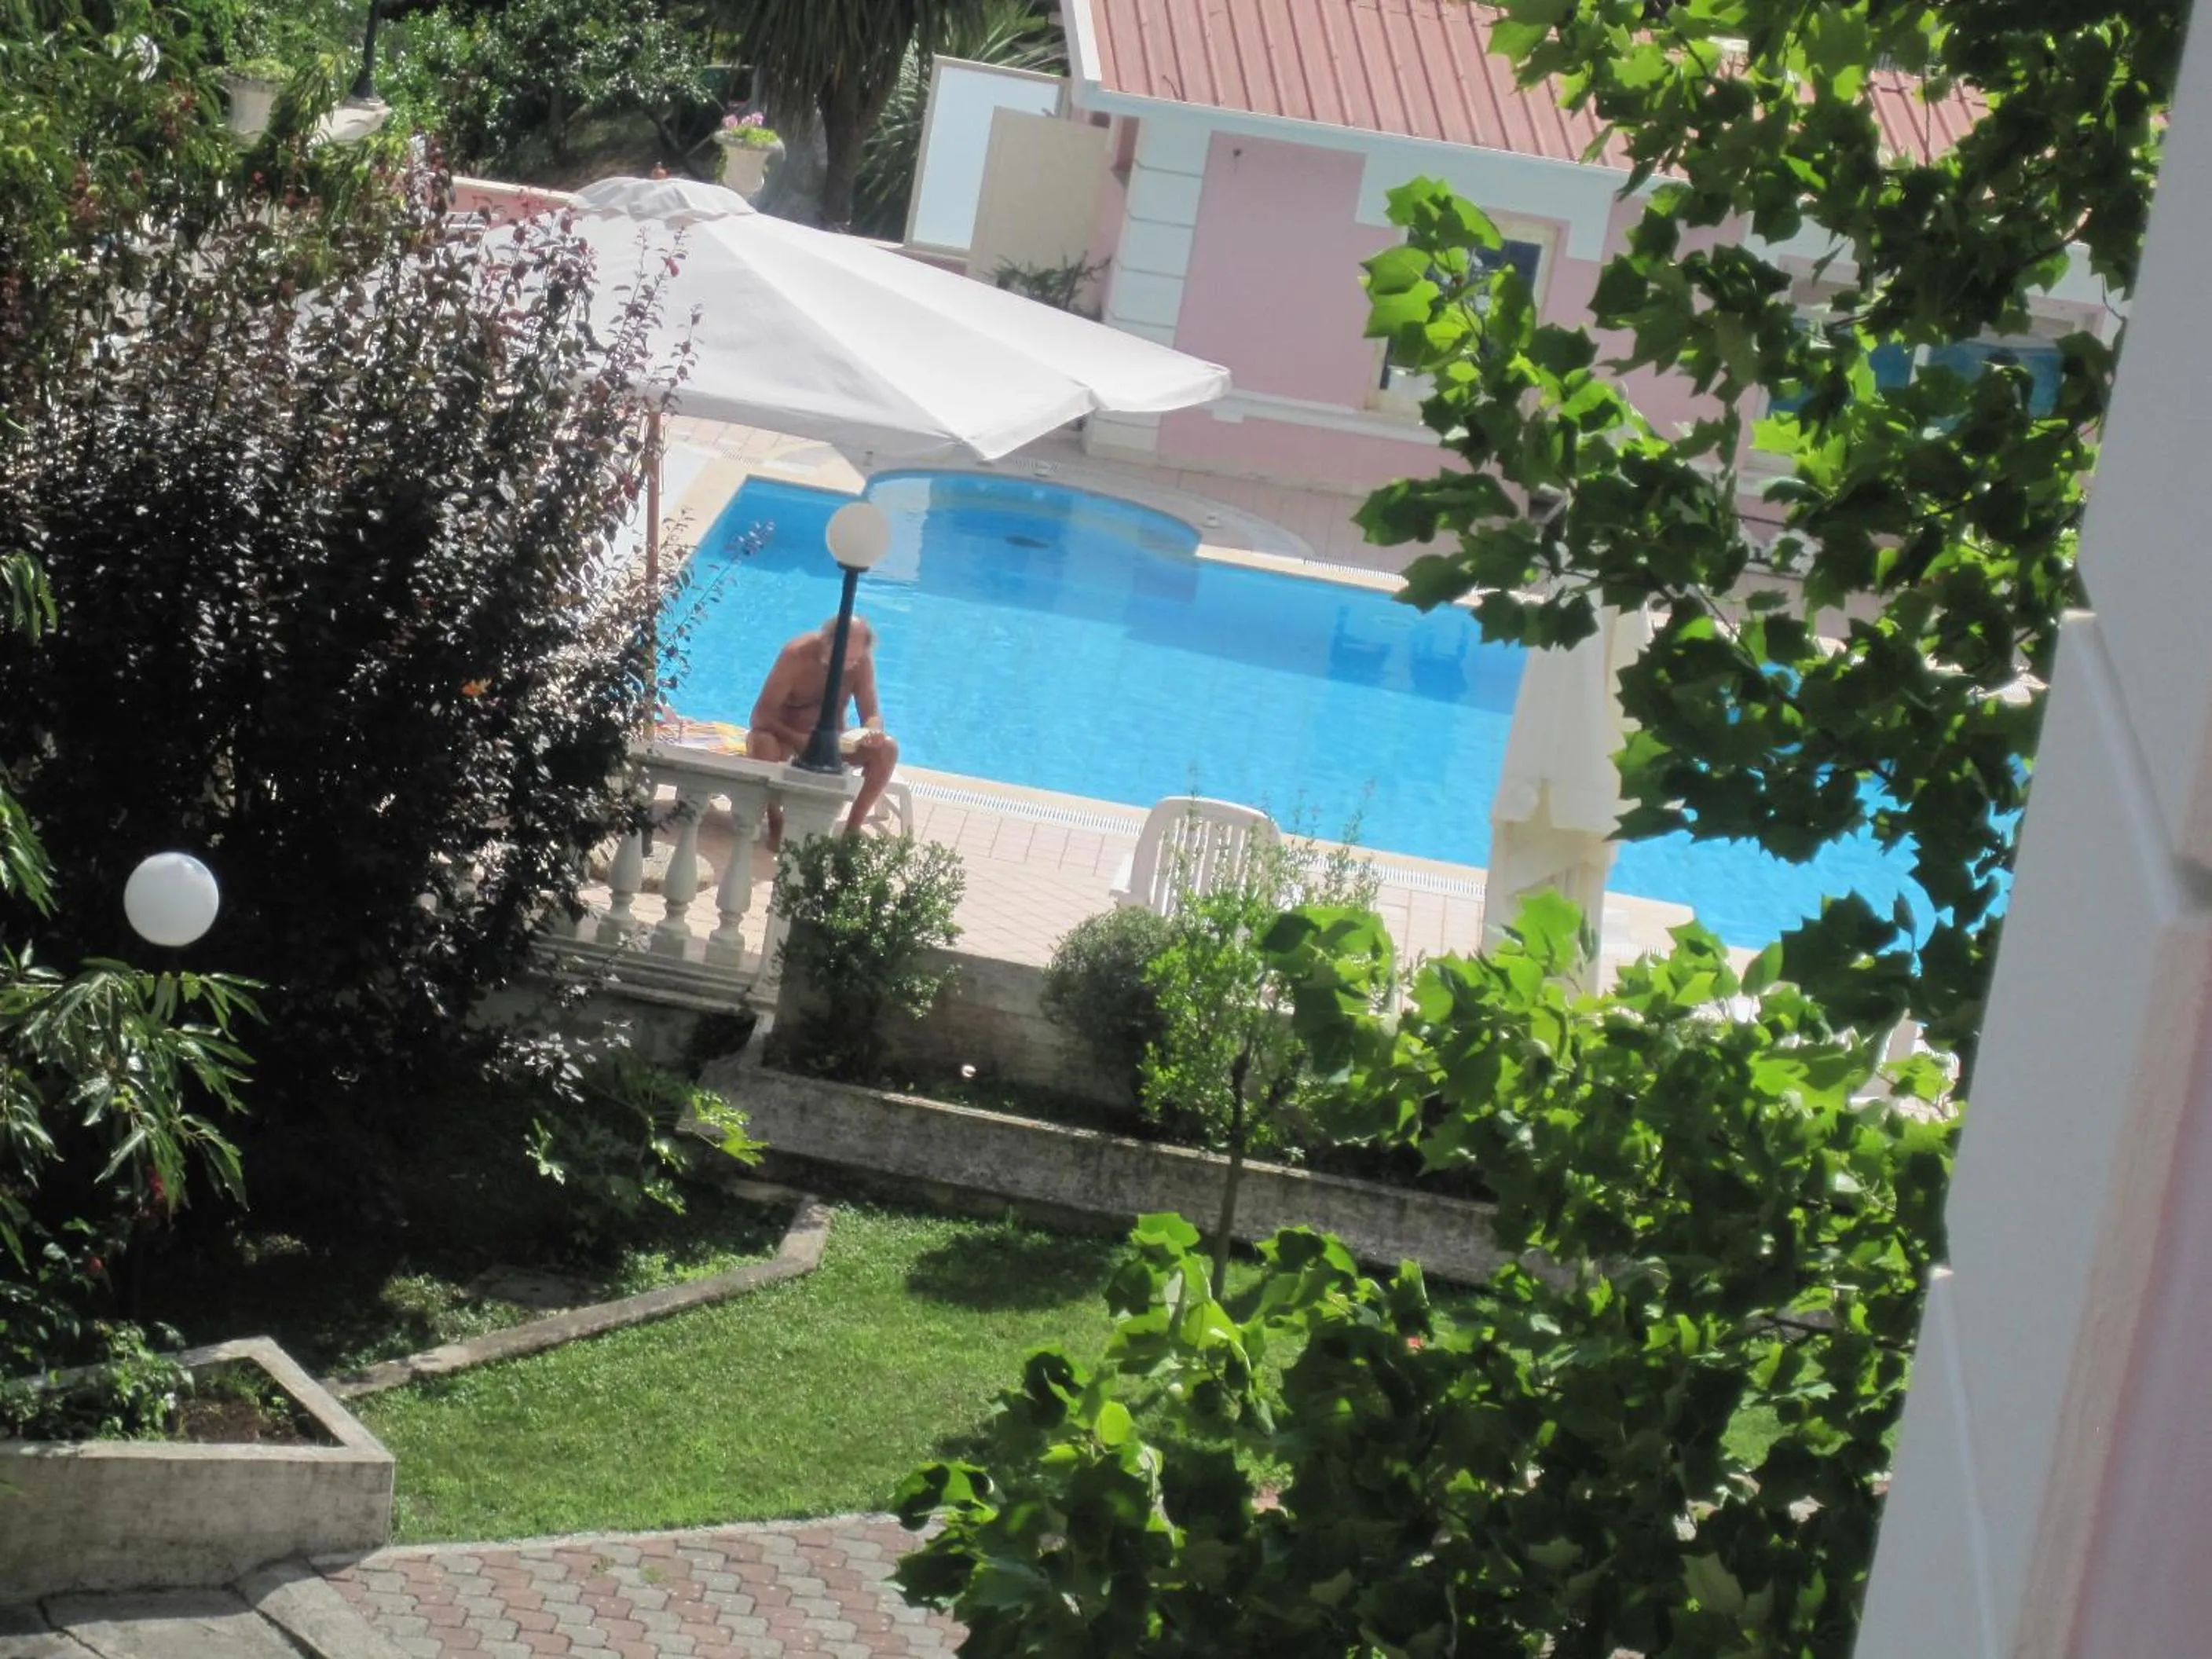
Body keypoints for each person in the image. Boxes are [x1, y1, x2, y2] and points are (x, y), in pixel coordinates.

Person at [747, 614, 899, 850]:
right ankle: (777, 822)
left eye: (855, 658)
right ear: (828, 643)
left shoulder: (861, 662)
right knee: (763, 742)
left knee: (887, 748)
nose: (851, 663)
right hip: (788, 738)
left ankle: (852, 830)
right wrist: (798, 739)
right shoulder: (796, 655)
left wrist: (873, 730)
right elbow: (760, 716)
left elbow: (870, 711)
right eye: (846, 657)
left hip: (832, 742)